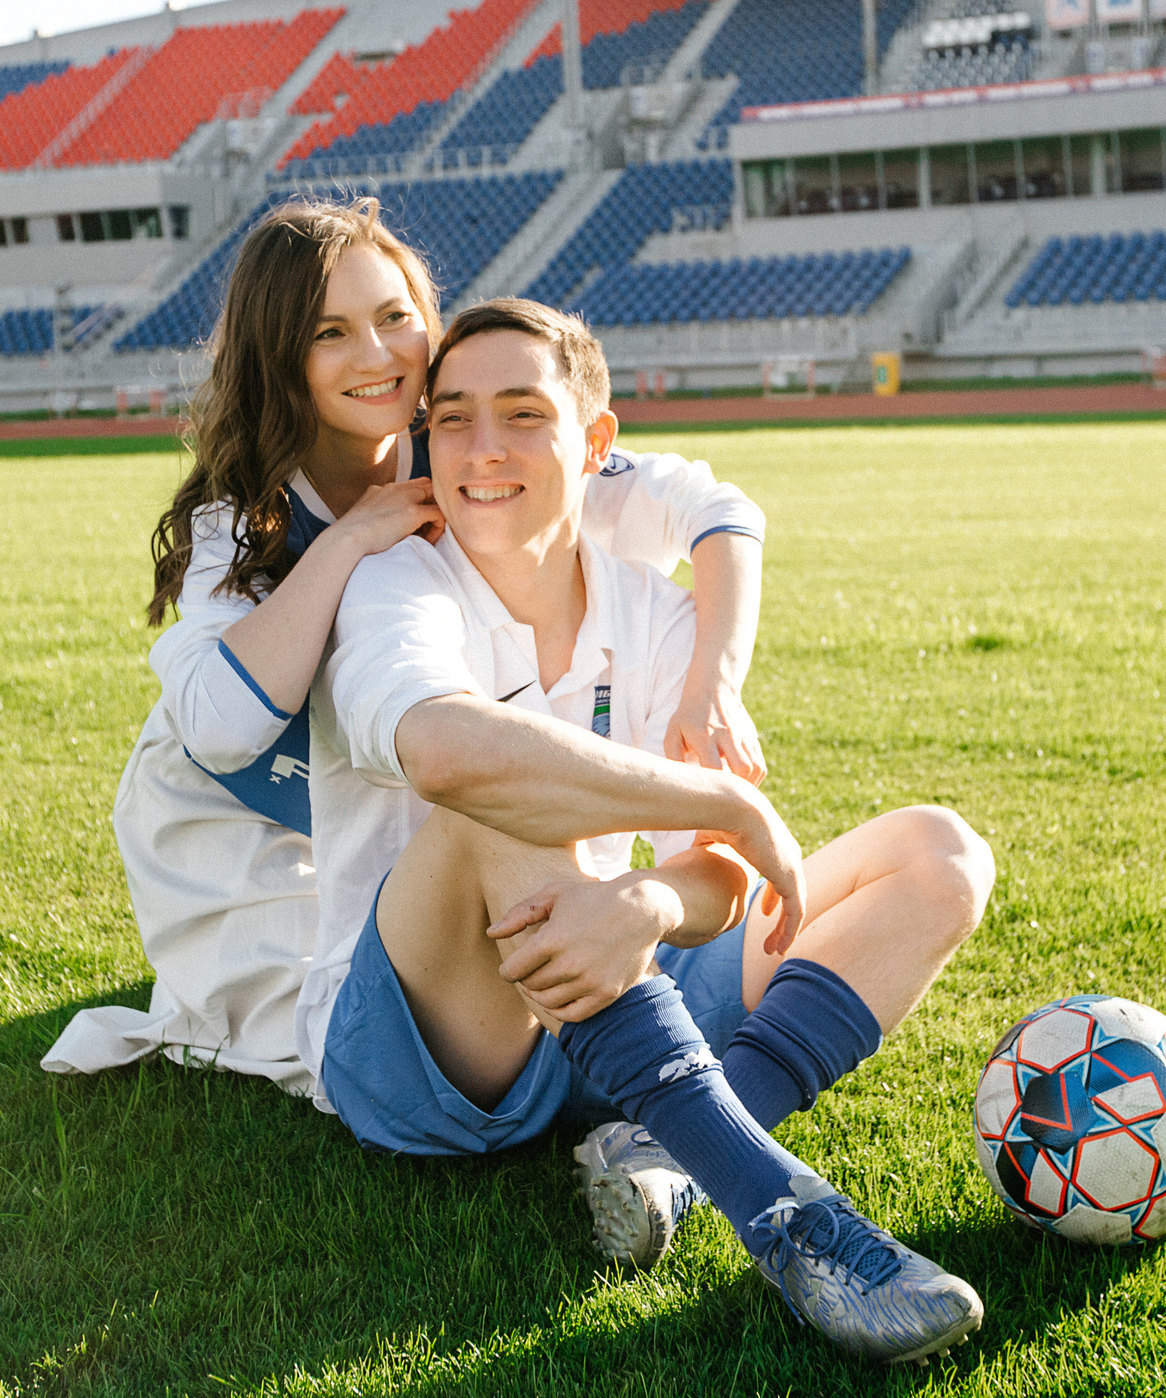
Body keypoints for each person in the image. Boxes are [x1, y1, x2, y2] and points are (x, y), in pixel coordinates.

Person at [305, 299, 995, 1364]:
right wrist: (724, 806)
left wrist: (651, 898)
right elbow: (445, 753)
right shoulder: (397, 583)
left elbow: (723, 878)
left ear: (595, 443)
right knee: (492, 795)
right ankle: (786, 1216)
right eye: (452, 419)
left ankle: (665, 1150)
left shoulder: (651, 609)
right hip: (430, 1047)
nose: (482, 450)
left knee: (940, 854)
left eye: (523, 414)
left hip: (602, 983)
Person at [45, 200, 770, 1093]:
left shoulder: (470, 442)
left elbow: (719, 512)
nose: (377, 353)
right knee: (320, 1030)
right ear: (279, 356)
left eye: (395, 317)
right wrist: (349, 541)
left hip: (378, 793)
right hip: (240, 811)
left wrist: (713, 684)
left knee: (480, 931)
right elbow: (219, 730)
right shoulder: (244, 512)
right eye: (330, 332)